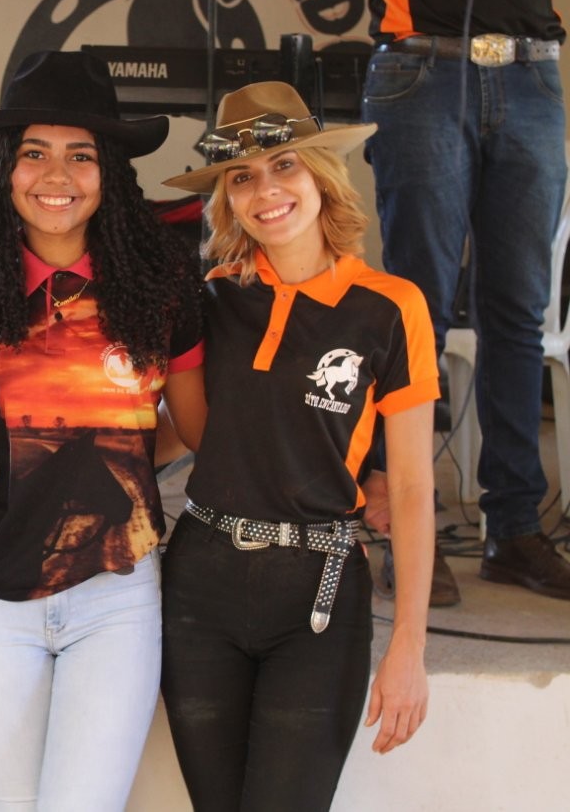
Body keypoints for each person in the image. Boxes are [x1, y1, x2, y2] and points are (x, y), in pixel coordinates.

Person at [159, 81, 437, 811]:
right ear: (226, 199)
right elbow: (184, 431)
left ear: (320, 175)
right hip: (200, 585)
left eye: (284, 165)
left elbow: (412, 487)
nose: (266, 191)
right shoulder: (211, 298)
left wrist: (410, 643)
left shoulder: (391, 307)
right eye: (241, 176)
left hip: (319, 591)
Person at [0, 50, 207, 810]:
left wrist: (115, 448)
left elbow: (196, 428)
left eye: (80, 155)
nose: (56, 175)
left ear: (109, 172)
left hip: (117, 594)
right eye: (34, 152)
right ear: (3, 169)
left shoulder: (162, 289)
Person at [363, 0, 570, 602]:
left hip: (530, 70)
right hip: (422, 67)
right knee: (415, 316)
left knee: (517, 313)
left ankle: (514, 530)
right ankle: (407, 530)